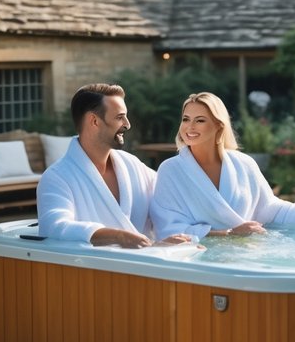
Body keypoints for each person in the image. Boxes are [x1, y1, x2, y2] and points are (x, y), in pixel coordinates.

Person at [150, 92, 295, 240]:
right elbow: (168, 229)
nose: (190, 127)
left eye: (200, 120)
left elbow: (271, 209)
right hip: (201, 259)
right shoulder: (171, 170)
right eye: (186, 119)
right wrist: (228, 234)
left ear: (218, 126)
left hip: (248, 256)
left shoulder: (244, 164)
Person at [37, 83, 192, 247]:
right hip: (92, 263)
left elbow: (169, 198)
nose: (127, 124)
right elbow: (54, 226)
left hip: (147, 260)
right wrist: (118, 236)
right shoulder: (57, 177)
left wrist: (163, 242)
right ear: (94, 121)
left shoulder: (131, 164)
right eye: (119, 117)